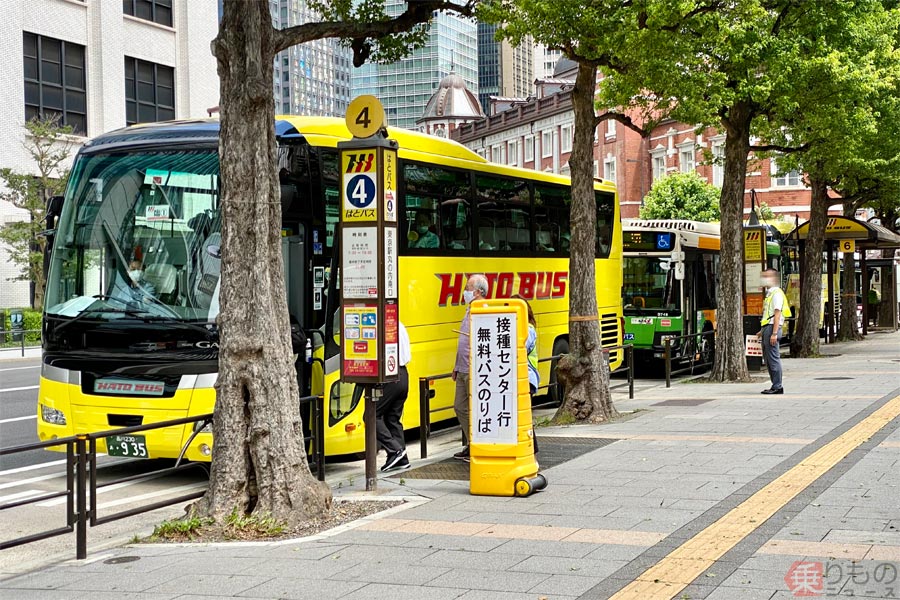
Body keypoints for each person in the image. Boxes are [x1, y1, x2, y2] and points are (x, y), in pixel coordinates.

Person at [452, 273, 488, 461]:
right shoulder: (469, 309)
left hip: (475, 368)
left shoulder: (483, 309)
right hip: (463, 367)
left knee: (476, 408)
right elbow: (463, 341)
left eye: (467, 288)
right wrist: (456, 366)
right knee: (459, 406)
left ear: (478, 291)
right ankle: (471, 442)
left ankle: (476, 444)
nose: (465, 292)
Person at [379, 321, 412, 472]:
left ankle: (395, 450)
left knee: (371, 415)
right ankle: (402, 459)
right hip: (403, 374)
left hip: (390, 375)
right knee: (392, 418)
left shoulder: (383, 325)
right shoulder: (399, 324)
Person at [757, 268, 789, 394]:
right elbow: (768, 314)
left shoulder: (776, 294)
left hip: (772, 328)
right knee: (768, 358)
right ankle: (774, 385)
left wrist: (774, 333)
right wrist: (762, 331)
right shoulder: (770, 294)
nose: (764, 279)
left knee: (773, 357)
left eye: (767, 276)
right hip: (767, 328)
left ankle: (777, 386)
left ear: (774, 278)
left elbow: (777, 314)